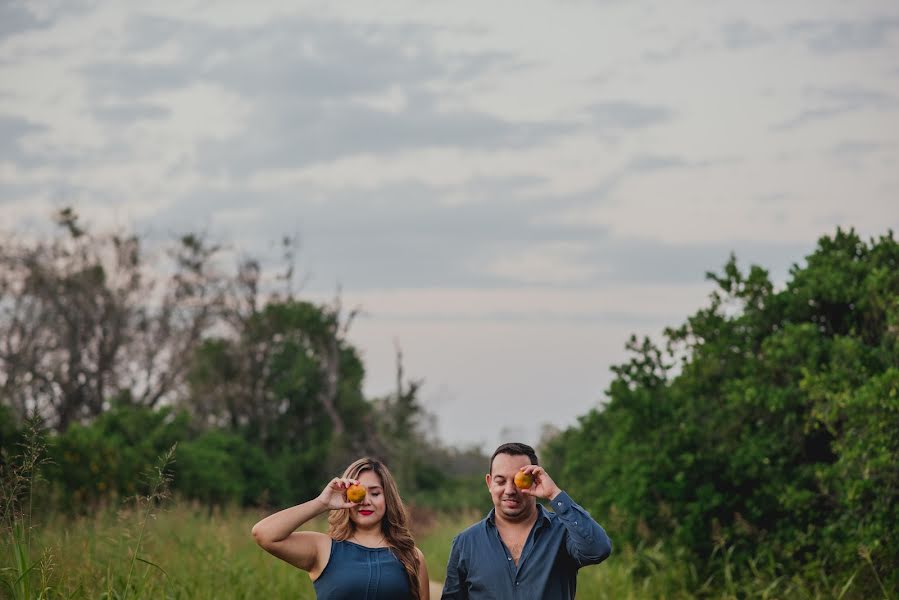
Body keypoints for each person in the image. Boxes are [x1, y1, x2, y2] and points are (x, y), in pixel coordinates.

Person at [441, 442, 611, 599]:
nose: (509, 490)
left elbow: (598, 550)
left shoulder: (563, 533)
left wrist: (554, 494)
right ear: (489, 483)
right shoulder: (465, 543)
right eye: (500, 481)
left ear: (535, 481)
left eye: (518, 481)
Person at [252, 457, 430, 600]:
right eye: (358, 493)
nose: (366, 501)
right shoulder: (323, 548)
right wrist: (322, 503)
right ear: (345, 496)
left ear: (388, 499)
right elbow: (264, 534)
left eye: (375, 493)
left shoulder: (411, 556)